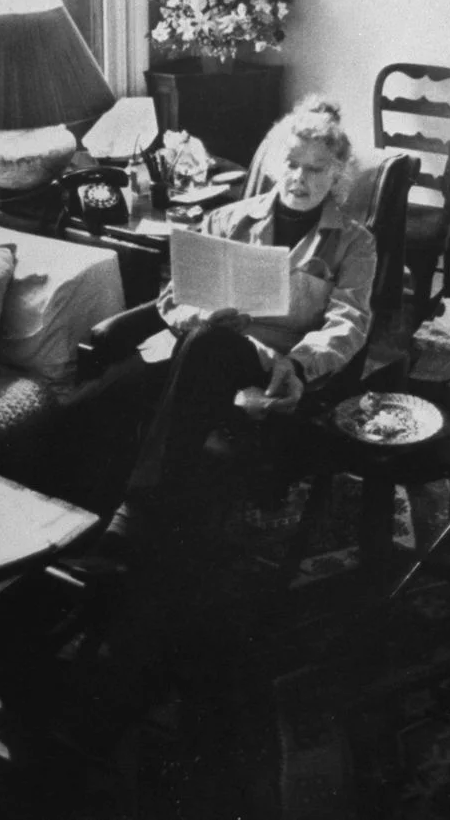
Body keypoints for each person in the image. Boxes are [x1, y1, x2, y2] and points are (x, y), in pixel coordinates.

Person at [93, 95, 377, 565]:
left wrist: (298, 364)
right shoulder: (228, 218)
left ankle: (135, 517)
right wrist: (198, 316)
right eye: (292, 163)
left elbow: (350, 321)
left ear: (337, 177)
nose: (300, 178)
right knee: (104, 397)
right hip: (201, 348)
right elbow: (173, 297)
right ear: (274, 164)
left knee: (208, 348)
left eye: (317, 169)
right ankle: (82, 532)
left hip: (273, 365)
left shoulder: (354, 242)